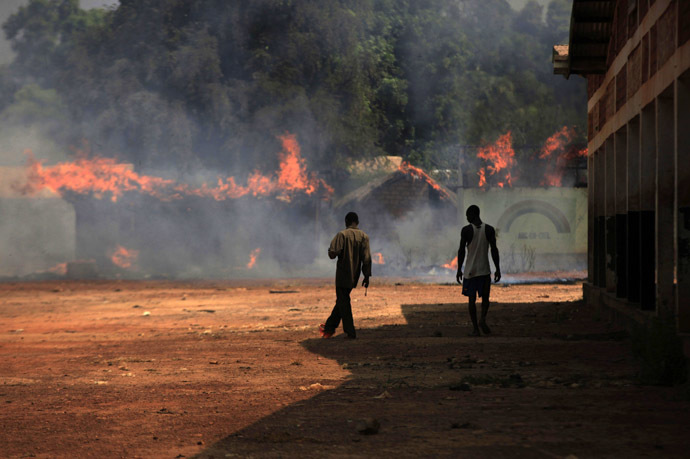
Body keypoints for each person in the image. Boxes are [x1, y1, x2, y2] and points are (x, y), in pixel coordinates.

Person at [319, 212, 371, 339]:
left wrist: (331, 250)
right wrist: (366, 276)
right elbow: (367, 259)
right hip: (355, 275)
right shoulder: (364, 236)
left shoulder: (342, 235)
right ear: (357, 222)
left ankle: (350, 331)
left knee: (344, 301)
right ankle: (329, 328)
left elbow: (332, 254)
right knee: (342, 301)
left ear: (346, 221)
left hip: (343, 275)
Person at [455, 205, 501, 336]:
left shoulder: (466, 230)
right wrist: (497, 268)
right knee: (485, 299)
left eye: (468, 215)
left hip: (470, 271)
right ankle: (483, 319)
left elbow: (461, 251)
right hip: (485, 270)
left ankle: (475, 329)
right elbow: (494, 250)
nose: (467, 218)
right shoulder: (489, 230)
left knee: (471, 300)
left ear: (473, 214)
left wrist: (459, 269)